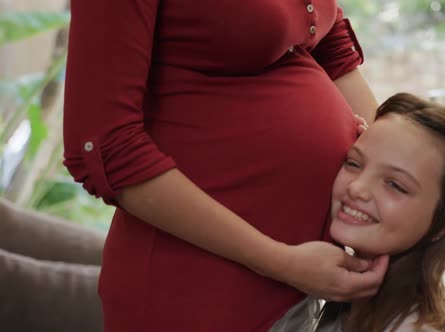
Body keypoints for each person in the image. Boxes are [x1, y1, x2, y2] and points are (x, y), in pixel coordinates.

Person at [62, 0, 389, 331]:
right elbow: (107, 149)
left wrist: (402, 173)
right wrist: (283, 262)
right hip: (196, 291)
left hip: (298, 287)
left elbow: (330, 46)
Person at [270, 92, 445, 332]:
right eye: (354, 163)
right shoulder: (352, 304)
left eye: (395, 184)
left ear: (444, 223)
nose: (357, 188)